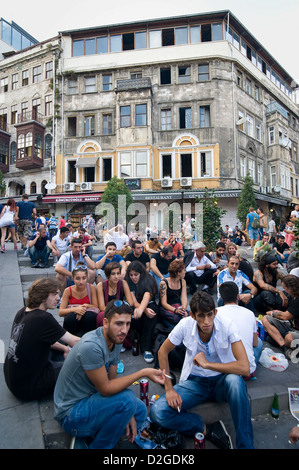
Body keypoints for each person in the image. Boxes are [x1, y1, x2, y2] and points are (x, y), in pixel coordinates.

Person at [53, 300, 166, 449]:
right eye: (118, 323)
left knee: (139, 410)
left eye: (127, 324)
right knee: (128, 400)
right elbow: (106, 389)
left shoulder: (116, 339)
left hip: (91, 398)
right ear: (105, 322)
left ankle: (89, 436)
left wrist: (128, 412)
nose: (124, 330)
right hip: (71, 413)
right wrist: (143, 372)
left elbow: (113, 382)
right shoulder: (91, 347)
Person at [150, 291, 254, 449]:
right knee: (158, 411)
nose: (206, 321)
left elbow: (245, 368)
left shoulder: (227, 324)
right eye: (201, 316)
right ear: (193, 315)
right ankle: (206, 428)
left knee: (235, 381)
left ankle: (246, 446)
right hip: (195, 382)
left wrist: (208, 365)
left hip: (222, 381)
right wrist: (169, 388)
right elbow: (162, 351)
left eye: (210, 315)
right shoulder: (185, 324)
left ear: (215, 312)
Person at [4, 278, 80, 401]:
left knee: (59, 341)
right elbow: (75, 341)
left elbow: (41, 339)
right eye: (54, 294)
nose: (58, 298)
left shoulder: (22, 312)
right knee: (78, 366)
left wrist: (64, 348)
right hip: (28, 387)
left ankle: (58, 365)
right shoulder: (43, 318)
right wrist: (100, 342)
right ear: (43, 296)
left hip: (13, 379)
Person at [217, 282, 263, 377]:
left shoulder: (215, 313)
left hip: (223, 366)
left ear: (221, 297)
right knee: (259, 342)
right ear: (238, 296)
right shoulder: (250, 314)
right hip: (246, 367)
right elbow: (255, 343)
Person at [125, 261, 159, 363]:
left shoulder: (148, 280)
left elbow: (147, 296)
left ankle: (146, 348)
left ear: (141, 273)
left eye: (136, 275)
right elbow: (133, 300)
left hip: (147, 303)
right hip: (135, 305)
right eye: (131, 275)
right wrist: (143, 310)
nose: (133, 277)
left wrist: (142, 309)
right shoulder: (128, 281)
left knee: (151, 314)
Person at [261, 275, 299, 358]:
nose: (284, 290)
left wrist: (272, 313)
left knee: (289, 338)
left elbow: (285, 316)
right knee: (265, 319)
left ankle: (279, 341)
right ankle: (284, 347)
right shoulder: (293, 296)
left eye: (285, 288)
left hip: (295, 330)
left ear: (290, 288)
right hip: (292, 327)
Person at [58, 263, 99, 336]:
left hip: (87, 318)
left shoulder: (91, 287)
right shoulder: (68, 290)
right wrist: (76, 310)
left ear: (87, 278)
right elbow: (61, 312)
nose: (81, 281)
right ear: (73, 278)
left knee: (90, 317)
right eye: (78, 278)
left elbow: (95, 306)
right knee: (70, 318)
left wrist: (83, 307)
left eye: (84, 278)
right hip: (73, 319)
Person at [96, 262, 133, 326]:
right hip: (107, 311)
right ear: (108, 275)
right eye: (113, 274)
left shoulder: (123, 283)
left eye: (118, 273)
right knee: (101, 316)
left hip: (120, 310)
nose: (116, 277)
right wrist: (114, 312)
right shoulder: (101, 285)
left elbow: (130, 302)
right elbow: (102, 307)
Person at [158, 259, 188, 329]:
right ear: (178, 273)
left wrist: (183, 309)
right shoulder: (164, 283)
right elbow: (163, 303)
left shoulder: (183, 281)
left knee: (189, 317)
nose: (185, 272)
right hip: (166, 309)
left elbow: (184, 298)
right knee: (176, 321)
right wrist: (175, 310)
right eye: (184, 270)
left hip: (177, 306)